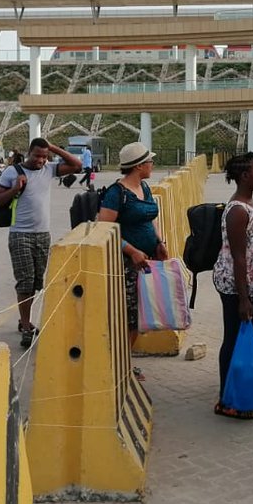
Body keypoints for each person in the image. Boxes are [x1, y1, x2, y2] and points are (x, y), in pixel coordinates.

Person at [0, 138, 82, 347]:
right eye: (37, 156)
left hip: (43, 234)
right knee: (25, 281)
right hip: (20, 234)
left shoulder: (49, 169)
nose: (40, 160)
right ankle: (26, 326)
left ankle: (24, 319)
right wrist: (14, 189)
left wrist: (53, 147)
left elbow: (77, 166)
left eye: (44, 156)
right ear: (28, 153)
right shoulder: (12, 172)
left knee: (36, 283)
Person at [97, 142, 167, 380]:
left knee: (139, 315)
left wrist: (159, 242)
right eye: (149, 161)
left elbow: (149, 219)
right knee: (128, 317)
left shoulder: (144, 187)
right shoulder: (116, 193)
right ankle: (120, 365)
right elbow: (105, 229)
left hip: (146, 262)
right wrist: (132, 251)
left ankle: (124, 361)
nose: (152, 164)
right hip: (126, 264)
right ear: (138, 166)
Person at [213, 152, 253, 421]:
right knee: (234, 340)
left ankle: (247, 393)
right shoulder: (237, 210)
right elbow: (238, 257)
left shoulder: (249, 203)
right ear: (245, 176)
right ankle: (227, 400)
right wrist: (244, 298)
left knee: (249, 339)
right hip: (236, 287)